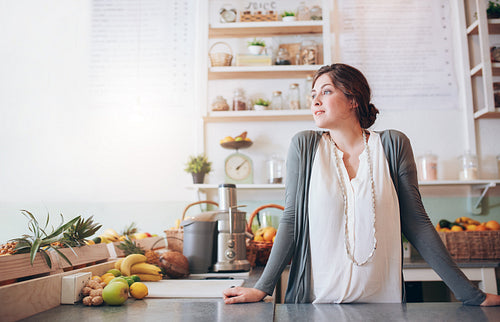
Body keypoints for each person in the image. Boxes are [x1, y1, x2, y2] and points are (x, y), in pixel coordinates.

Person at [223, 63, 500, 306]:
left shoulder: (392, 145)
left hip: (385, 304)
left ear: (353, 98)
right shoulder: (305, 146)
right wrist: (262, 288)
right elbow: (291, 220)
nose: (315, 101)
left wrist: (472, 295)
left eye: (326, 91)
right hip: (316, 303)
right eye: (313, 95)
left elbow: (417, 223)